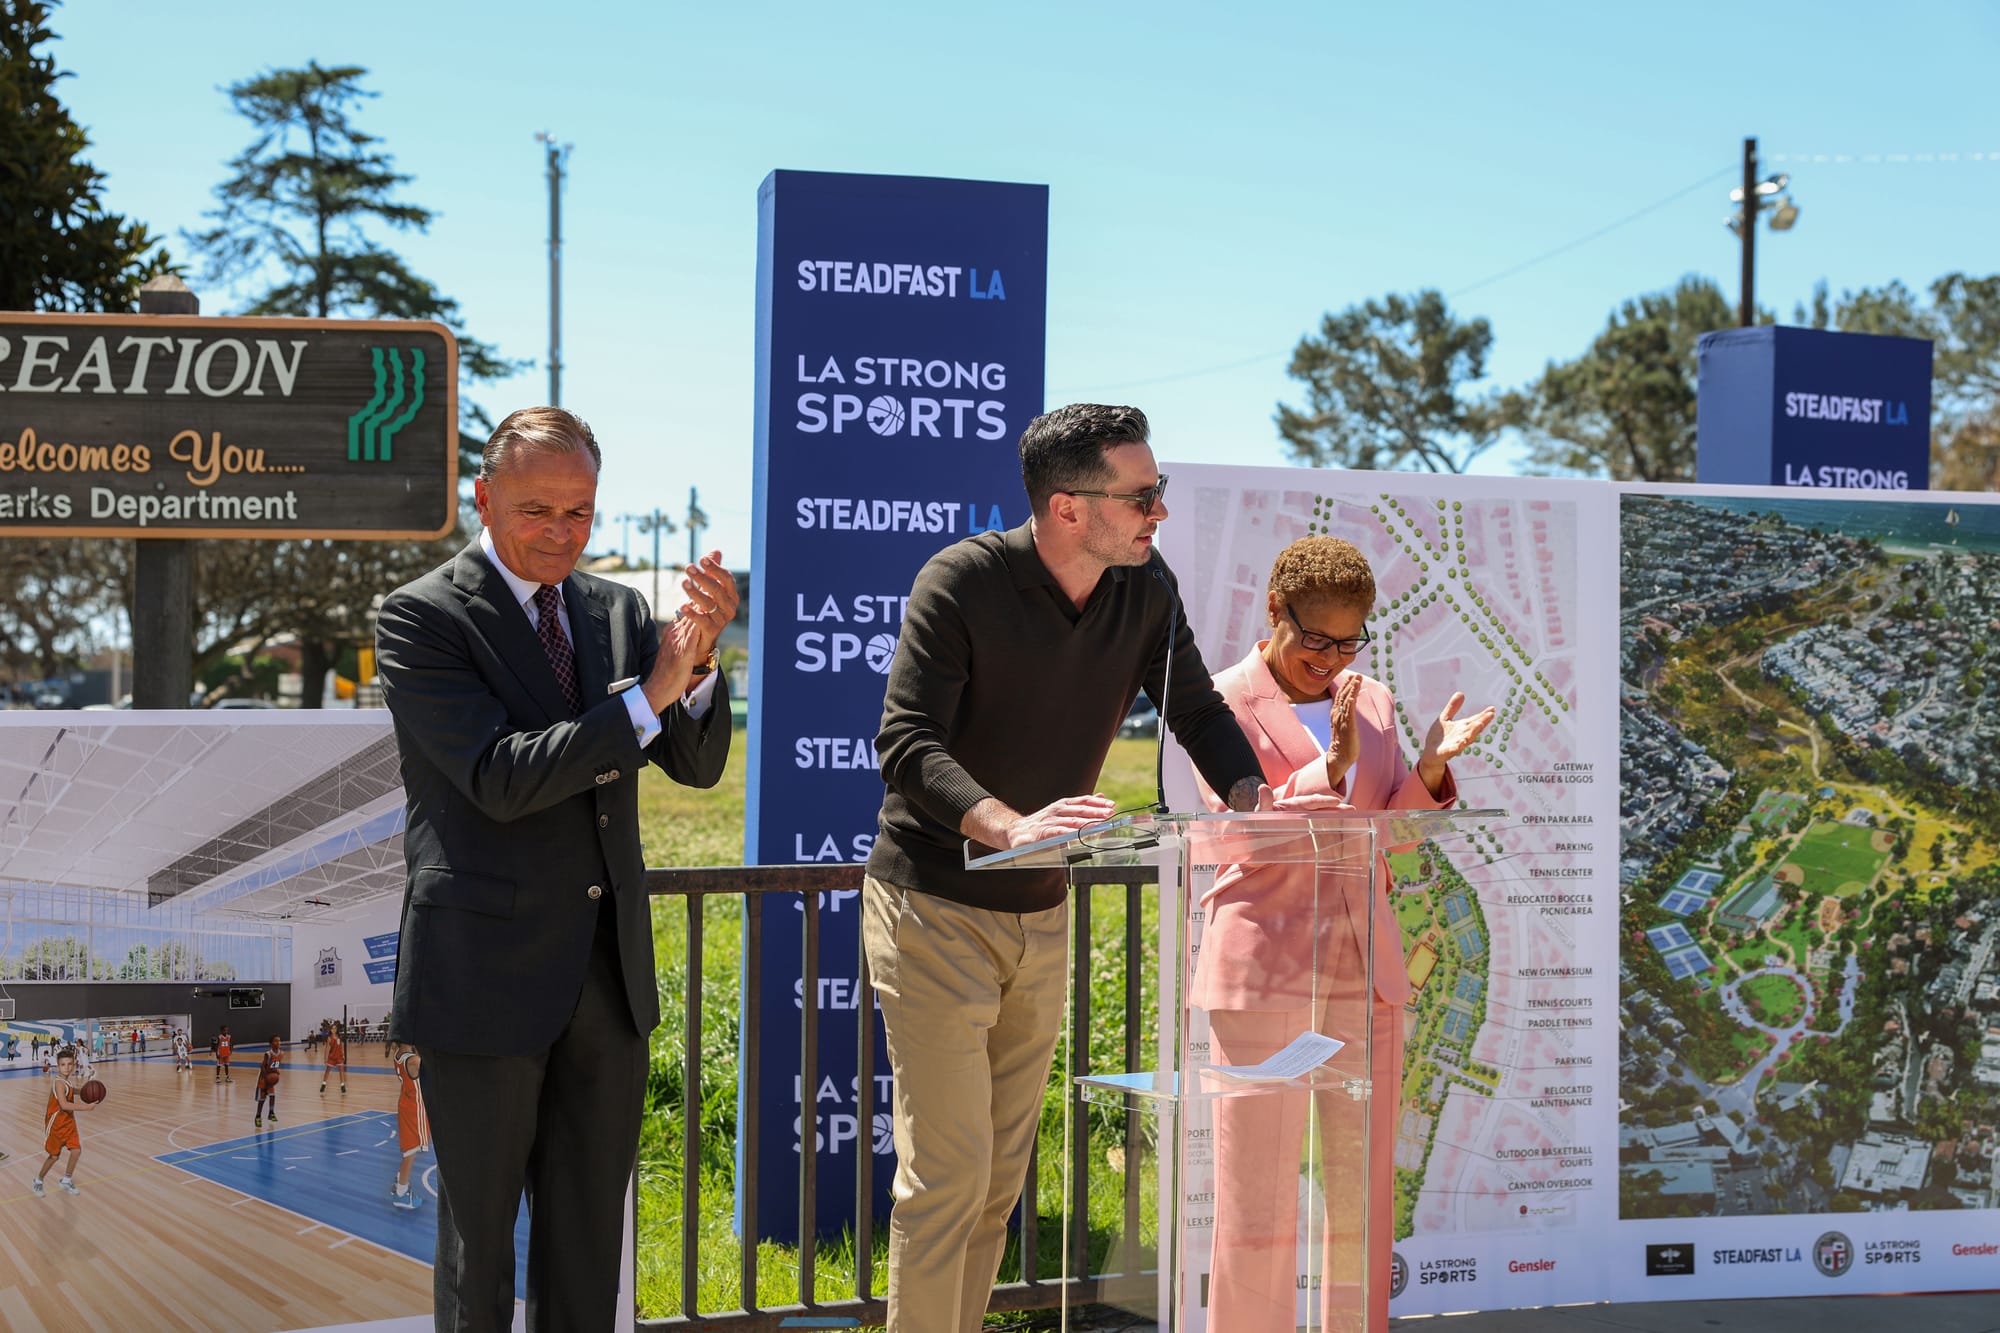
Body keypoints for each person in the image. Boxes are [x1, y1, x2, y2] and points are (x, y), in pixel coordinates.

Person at [865, 403, 1266, 1332]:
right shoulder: (960, 581)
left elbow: (1198, 711)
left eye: (1156, 492)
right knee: (949, 1174)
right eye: (1143, 494)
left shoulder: (1146, 587)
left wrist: (1254, 798)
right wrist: (1005, 823)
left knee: (1000, 1179)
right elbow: (905, 740)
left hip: (1041, 915)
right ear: (1068, 508)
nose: (1158, 510)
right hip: (933, 906)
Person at [376, 405, 736, 1331]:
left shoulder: (615, 610)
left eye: (579, 512)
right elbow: (498, 779)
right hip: (481, 981)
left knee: (586, 1254)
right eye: (537, 509)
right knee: (480, 1256)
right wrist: (650, 693)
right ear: (483, 499)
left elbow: (694, 766)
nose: (560, 532)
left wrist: (695, 671)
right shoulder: (422, 616)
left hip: (605, 985)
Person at [1191, 535, 1494, 1333]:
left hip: (1366, 975)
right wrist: (1324, 770)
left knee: (1360, 1200)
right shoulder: (1215, 702)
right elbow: (1226, 832)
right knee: (1255, 1200)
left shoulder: (1376, 699)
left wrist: (1426, 772)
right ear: (1273, 610)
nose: (1330, 658)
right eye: (1314, 637)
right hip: (1263, 973)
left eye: (1348, 639)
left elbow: (1387, 834)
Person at [35, 1047, 95, 1197]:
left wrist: (87, 1089)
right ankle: (38, 1180)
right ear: (57, 1066)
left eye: (69, 1064)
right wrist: (86, 1107)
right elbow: (64, 1105)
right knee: (54, 1156)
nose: (67, 1067)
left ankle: (66, 1180)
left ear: (74, 1065)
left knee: (76, 1151)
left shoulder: (66, 1082)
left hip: (68, 1122)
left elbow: (73, 1090)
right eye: (63, 1064)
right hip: (56, 1125)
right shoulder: (59, 1083)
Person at [390, 1044, 430, 1209]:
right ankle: (401, 1194)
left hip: (406, 1103)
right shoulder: (414, 1060)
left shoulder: (398, 1053)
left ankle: (400, 1178)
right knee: (411, 1152)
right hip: (415, 1108)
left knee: (412, 1149)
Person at [254, 1036, 283, 1128]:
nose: (278, 1042)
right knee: (262, 1100)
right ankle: (258, 1116)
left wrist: (276, 1071)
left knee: (272, 1096)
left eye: (279, 1041)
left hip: (271, 1077)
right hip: (264, 1078)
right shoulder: (268, 1054)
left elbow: (275, 1065)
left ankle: (271, 1113)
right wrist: (266, 1077)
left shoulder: (281, 1053)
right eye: (275, 1041)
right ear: (271, 1043)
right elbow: (262, 1066)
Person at [320, 1022, 347, 1095]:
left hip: (339, 1056)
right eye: (332, 1028)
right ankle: (323, 1084)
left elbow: (341, 1046)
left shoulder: (339, 1037)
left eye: (335, 1028)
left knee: (341, 1071)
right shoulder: (329, 1038)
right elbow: (327, 1048)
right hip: (332, 1057)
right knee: (327, 1071)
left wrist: (343, 1054)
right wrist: (325, 1058)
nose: (334, 1029)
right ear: (330, 1030)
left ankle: (342, 1086)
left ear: (336, 1029)